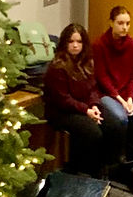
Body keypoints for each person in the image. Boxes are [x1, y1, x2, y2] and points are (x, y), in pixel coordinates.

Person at [42, 22, 123, 177]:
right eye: (71, 41)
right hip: (62, 112)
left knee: (114, 124)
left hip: (85, 106)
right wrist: (86, 111)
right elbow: (63, 99)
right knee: (92, 132)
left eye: (79, 42)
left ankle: (108, 167)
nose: (75, 46)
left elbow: (93, 89)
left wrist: (94, 106)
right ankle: (86, 169)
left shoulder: (86, 63)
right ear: (64, 43)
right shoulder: (57, 67)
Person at [93, 5, 133, 157]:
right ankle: (119, 155)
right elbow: (102, 77)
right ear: (111, 23)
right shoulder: (99, 45)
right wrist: (120, 99)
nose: (124, 27)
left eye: (127, 23)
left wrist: (130, 98)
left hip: (127, 92)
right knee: (121, 118)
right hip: (107, 92)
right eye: (120, 23)